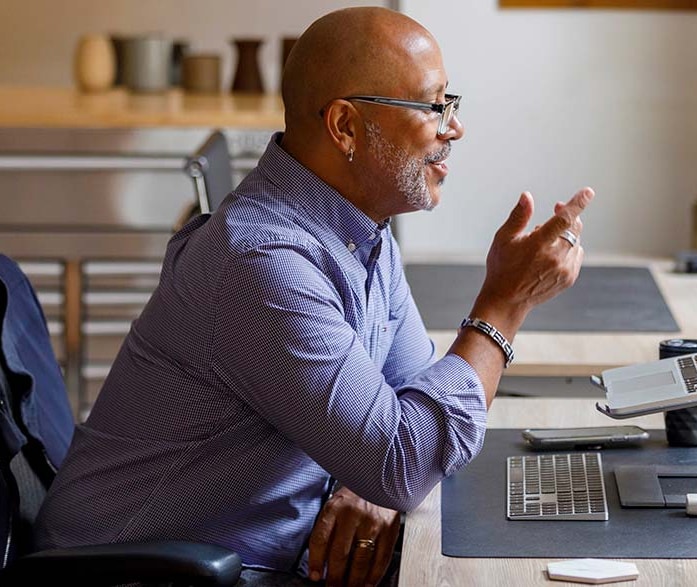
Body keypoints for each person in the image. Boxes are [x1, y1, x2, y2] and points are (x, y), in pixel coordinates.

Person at [35, 7, 594, 586]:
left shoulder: (362, 230)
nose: (454, 128)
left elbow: (416, 417)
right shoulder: (261, 263)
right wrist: (504, 304)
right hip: (140, 578)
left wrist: (372, 482)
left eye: (450, 104)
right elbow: (407, 456)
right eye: (433, 107)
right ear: (345, 127)